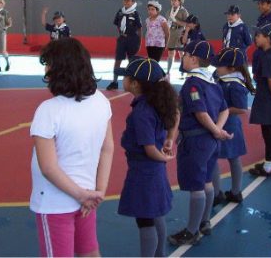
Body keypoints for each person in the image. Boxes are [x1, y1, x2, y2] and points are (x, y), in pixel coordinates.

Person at [30, 38, 114, 257]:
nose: (47, 70)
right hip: (87, 197)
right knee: (89, 252)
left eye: (48, 64)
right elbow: (107, 148)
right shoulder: (100, 101)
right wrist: (97, 193)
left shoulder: (49, 110)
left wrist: (80, 195)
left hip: (56, 202)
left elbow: (48, 168)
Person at [168, 40, 232, 246]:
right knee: (206, 181)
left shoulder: (193, 84)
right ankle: (205, 221)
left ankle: (192, 230)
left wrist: (214, 130)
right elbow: (225, 109)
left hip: (196, 141)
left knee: (196, 185)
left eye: (184, 55)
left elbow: (199, 111)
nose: (182, 57)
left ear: (194, 59)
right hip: (211, 141)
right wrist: (219, 130)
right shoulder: (213, 83)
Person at [118, 58, 179, 257]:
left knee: (145, 220)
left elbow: (149, 148)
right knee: (155, 214)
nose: (123, 79)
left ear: (135, 83)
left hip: (143, 172)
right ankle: (159, 254)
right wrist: (169, 139)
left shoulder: (141, 112)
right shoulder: (156, 104)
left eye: (127, 77)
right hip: (154, 171)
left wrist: (163, 157)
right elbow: (176, 115)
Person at [211, 47, 251, 206]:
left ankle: (231, 191)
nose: (216, 68)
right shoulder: (224, 79)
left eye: (219, 66)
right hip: (222, 122)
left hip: (229, 125)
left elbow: (241, 108)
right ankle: (220, 191)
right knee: (221, 158)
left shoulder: (234, 85)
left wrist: (221, 110)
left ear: (231, 68)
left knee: (226, 158)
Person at [248, 23, 271, 178]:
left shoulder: (267, 57)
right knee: (270, 130)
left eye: (259, 35)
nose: (256, 38)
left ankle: (269, 164)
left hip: (267, 98)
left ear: (268, 38)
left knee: (268, 132)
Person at [107, 0, 142, 90]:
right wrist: (121, 34)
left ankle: (131, 82)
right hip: (122, 39)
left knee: (132, 61)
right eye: (124, 0)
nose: (126, 2)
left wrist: (139, 41)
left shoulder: (135, 14)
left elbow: (139, 28)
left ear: (133, 1)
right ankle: (114, 81)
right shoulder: (120, 12)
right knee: (118, 60)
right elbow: (117, 24)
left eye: (128, 0)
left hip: (132, 39)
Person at [166, 0, 189, 75]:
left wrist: (175, 20)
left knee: (181, 52)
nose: (173, 2)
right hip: (171, 32)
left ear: (179, 1)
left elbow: (187, 24)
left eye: (175, 0)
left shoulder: (183, 11)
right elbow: (167, 22)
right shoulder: (169, 11)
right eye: (172, 0)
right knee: (170, 52)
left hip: (180, 32)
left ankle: (183, 69)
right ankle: (168, 70)